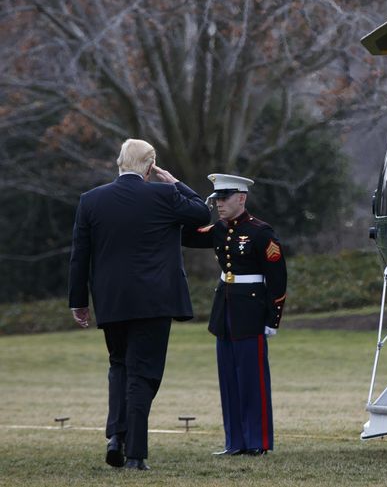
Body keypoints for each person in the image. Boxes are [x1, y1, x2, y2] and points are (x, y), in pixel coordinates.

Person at [68, 139, 211, 471]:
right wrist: (173, 181)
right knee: (144, 374)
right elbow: (201, 212)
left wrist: (79, 302)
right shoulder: (163, 195)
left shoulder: (91, 201)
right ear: (150, 167)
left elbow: (80, 256)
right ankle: (135, 453)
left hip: (112, 300)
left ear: (119, 163)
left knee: (119, 366)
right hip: (154, 300)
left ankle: (115, 437)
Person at [182, 174, 287, 456]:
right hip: (225, 311)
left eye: (223, 198)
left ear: (241, 198)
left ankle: (258, 442)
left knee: (252, 379)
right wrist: (181, 190)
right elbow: (186, 235)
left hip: (251, 313)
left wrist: (272, 319)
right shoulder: (219, 229)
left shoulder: (261, 232)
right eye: (216, 199)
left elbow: (277, 279)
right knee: (229, 380)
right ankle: (235, 442)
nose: (219, 204)